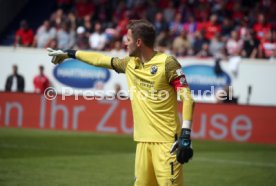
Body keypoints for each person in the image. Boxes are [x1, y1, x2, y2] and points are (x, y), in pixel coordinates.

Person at [47, 19, 194, 186]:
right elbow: (100, 60)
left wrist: (186, 134)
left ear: (138, 42)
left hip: (167, 144)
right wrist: (69, 53)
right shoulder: (129, 63)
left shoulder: (167, 63)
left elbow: (188, 97)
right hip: (142, 143)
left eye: (128, 39)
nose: (125, 43)